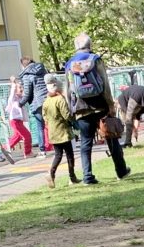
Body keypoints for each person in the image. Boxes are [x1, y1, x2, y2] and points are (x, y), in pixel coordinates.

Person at [64, 33, 111, 185]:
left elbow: (68, 89)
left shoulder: (70, 64)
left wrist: (70, 109)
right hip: (99, 105)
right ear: (90, 45)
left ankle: (87, 176)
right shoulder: (95, 59)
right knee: (110, 136)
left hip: (80, 107)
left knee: (85, 142)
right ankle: (121, 170)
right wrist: (110, 104)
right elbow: (105, 83)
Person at [41, 79, 77, 187]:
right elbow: (66, 115)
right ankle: (72, 177)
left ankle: (51, 173)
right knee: (70, 155)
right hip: (63, 131)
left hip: (52, 131)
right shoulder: (60, 99)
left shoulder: (46, 101)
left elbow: (45, 117)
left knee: (58, 155)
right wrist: (73, 120)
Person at [18, 55, 50, 152]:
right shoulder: (43, 70)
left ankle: (42, 149)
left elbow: (27, 93)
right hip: (48, 99)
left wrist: (20, 104)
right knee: (52, 123)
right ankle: (60, 146)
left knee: (40, 126)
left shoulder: (27, 75)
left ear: (23, 65)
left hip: (37, 102)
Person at [3, 78, 33, 158]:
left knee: (18, 136)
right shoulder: (13, 99)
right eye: (19, 87)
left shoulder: (21, 98)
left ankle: (5, 148)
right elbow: (12, 93)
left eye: (21, 87)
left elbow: (26, 95)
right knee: (27, 135)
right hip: (14, 120)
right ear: (15, 90)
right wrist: (13, 84)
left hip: (19, 120)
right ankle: (27, 153)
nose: (21, 89)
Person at [99, 109, 131, 180]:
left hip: (98, 119)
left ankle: (121, 171)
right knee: (116, 149)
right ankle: (121, 172)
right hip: (107, 124)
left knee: (115, 148)